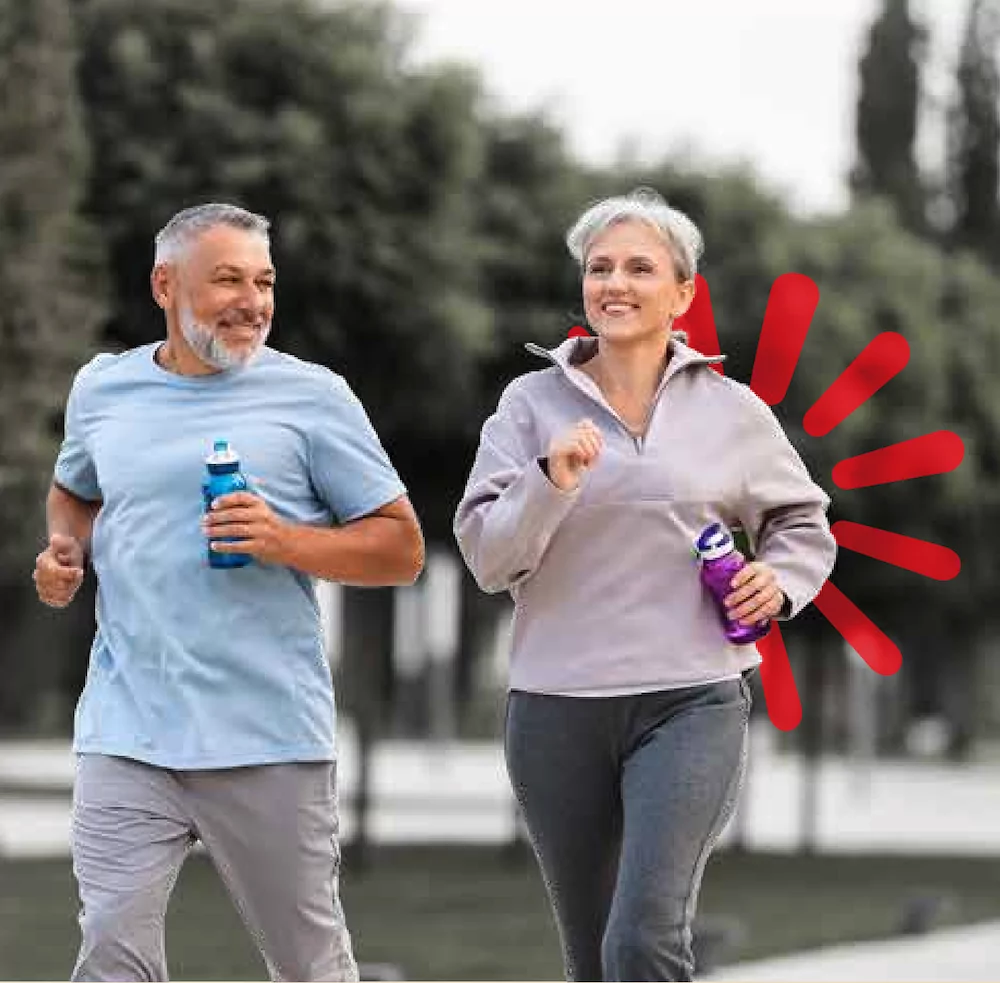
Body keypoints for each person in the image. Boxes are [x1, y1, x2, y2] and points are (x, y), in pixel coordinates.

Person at [32, 202, 424, 982]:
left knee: (308, 965)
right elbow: (73, 490)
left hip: (266, 734)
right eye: (228, 280)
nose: (253, 301)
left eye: (264, 281)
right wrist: (65, 549)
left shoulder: (315, 399)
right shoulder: (104, 390)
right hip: (127, 726)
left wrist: (285, 540)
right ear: (164, 284)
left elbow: (401, 547)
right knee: (111, 950)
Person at [454, 188, 835, 982]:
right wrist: (548, 480)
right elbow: (490, 558)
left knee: (643, 941)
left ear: (683, 292)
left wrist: (780, 579)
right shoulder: (529, 406)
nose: (614, 283)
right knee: (593, 959)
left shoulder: (731, 409)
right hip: (556, 707)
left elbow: (803, 524)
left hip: (691, 699)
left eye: (638, 266)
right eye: (599, 267)